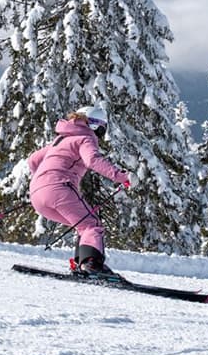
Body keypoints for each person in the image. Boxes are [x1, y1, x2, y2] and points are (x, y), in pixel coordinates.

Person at [24, 106, 138, 277]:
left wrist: (43, 181)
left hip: (37, 194)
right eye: (101, 129)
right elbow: (92, 160)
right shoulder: (85, 138)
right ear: (94, 126)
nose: (100, 134)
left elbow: (32, 161)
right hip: (59, 187)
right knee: (92, 224)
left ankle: (83, 263)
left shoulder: (60, 140)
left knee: (83, 224)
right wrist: (122, 177)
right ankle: (91, 265)